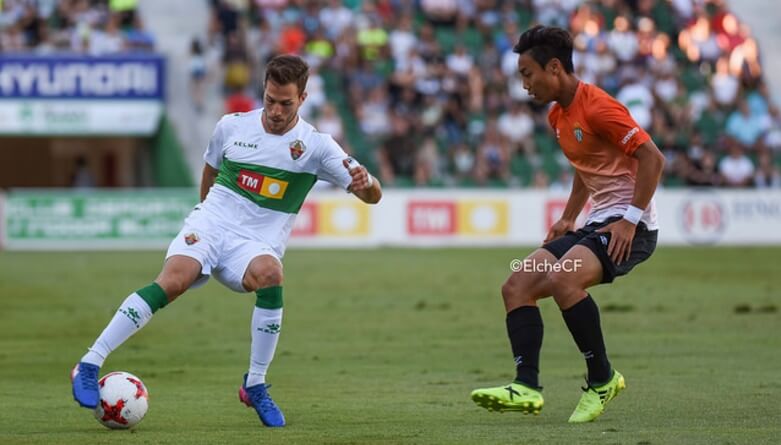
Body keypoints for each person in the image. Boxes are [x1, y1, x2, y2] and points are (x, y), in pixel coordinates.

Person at [71, 55, 382, 428]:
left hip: (254, 244)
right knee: (173, 280)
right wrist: (204, 219)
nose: (276, 110)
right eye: (270, 100)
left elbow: (372, 196)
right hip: (213, 222)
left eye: (285, 103)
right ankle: (89, 363)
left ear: (302, 98)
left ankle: (255, 384)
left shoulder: (317, 146)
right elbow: (211, 169)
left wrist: (368, 184)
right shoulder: (232, 126)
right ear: (263, 91)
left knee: (271, 274)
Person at [470, 26, 665, 423]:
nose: (524, 84)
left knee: (563, 279)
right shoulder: (558, 115)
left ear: (554, 67)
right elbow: (586, 166)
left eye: (527, 73)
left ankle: (602, 379)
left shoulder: (599, 107)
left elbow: (653, 158)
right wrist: (568, 217)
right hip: (596, 223)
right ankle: (526, 386)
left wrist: (630, 219)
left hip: (633, 227)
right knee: (517, 285)